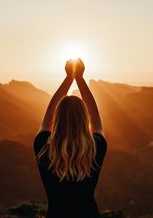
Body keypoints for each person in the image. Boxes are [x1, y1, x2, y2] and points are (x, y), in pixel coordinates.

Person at [33, 58, 107, 218]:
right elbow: (96, 120)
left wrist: (68, 78)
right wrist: (79, 78)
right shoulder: (95, 148)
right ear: (84, 119)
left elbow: (47, 119)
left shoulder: (43, 148)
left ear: (57, 119)